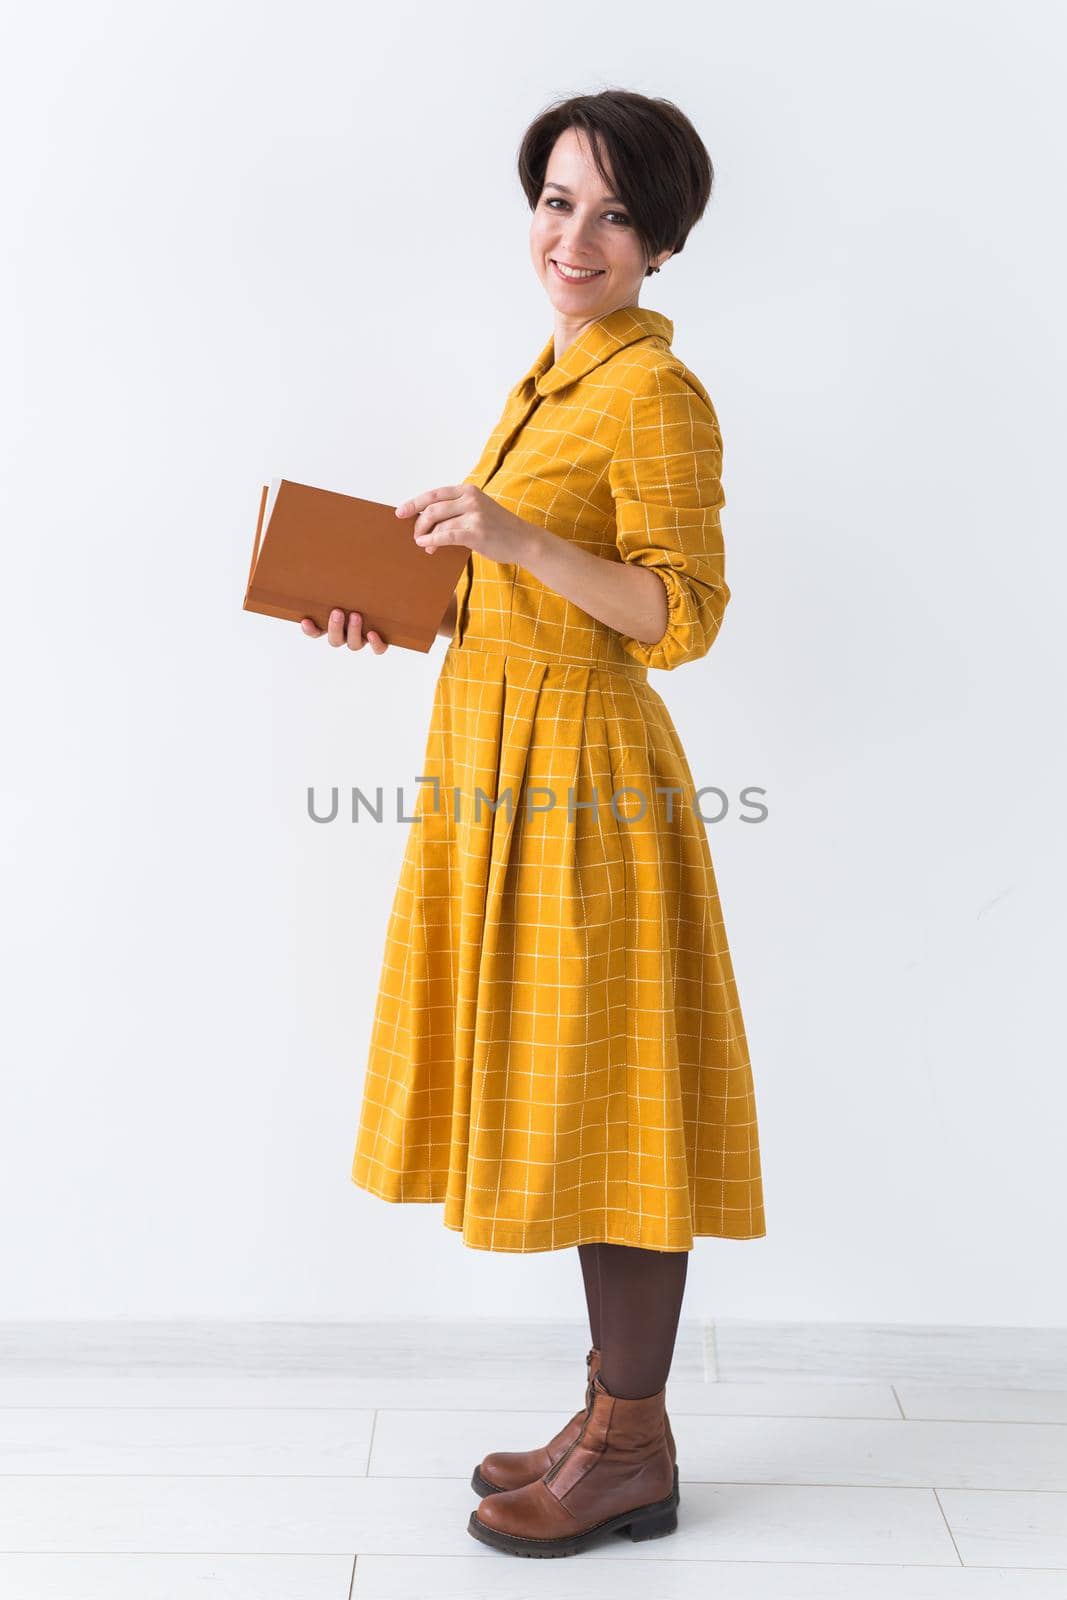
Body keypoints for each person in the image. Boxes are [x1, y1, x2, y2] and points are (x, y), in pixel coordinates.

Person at [303, 88, 767, 1558]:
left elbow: (678, 614)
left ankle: (630, 1450)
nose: (578, 235)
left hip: (586, 785)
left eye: (616, 212)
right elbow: (537, 592)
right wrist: (412, 605)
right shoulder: (557, 373)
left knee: (618, 1099)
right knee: (581, 1096)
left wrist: (510, 534)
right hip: (503, 754)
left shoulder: (655, 394)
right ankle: (612, 1419)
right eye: (560, 200)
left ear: (663, 239)